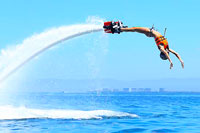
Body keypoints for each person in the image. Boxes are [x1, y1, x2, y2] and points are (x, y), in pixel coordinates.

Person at [119, 26, 184, 69]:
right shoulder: (167, 48)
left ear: (163, 53)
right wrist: (181, 60)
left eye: (167, 53)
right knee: (134, 29)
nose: (168, 52)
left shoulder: (161, 48)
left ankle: (119, 29)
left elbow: (166, 54)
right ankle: (123, 28)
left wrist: (170, 61)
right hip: (150, 33)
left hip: (149, 32)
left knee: (134, 29)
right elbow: (176, 54)